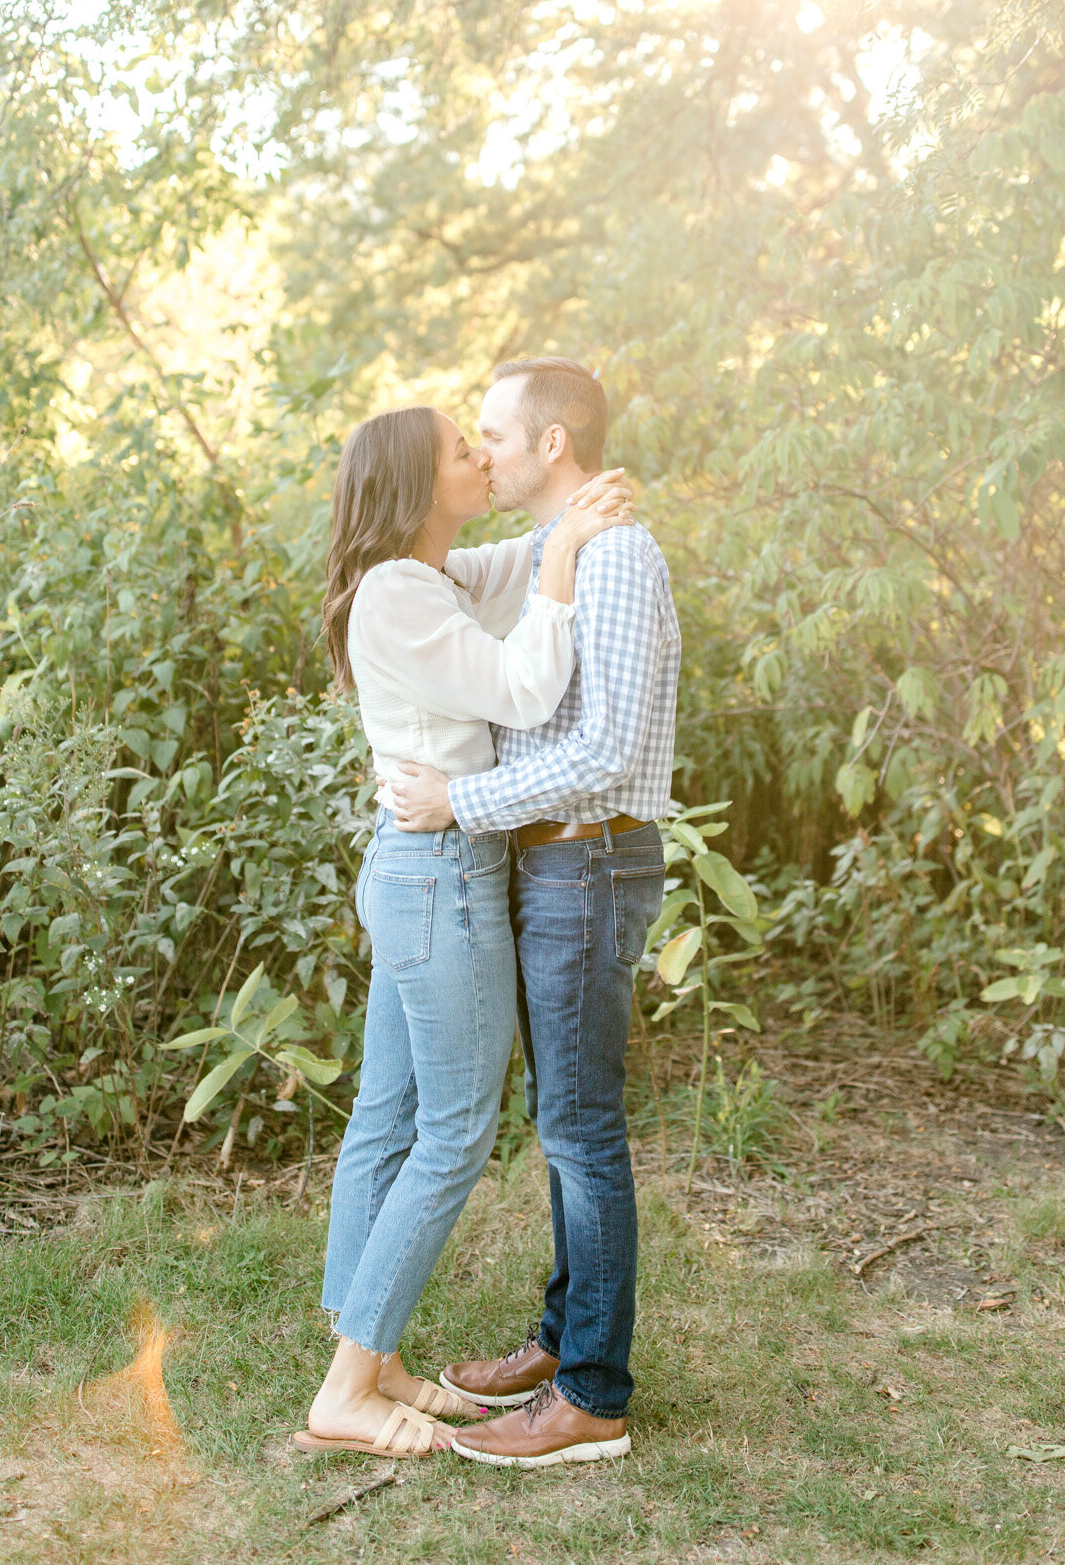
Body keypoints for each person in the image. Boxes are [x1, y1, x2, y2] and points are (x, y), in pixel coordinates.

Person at [295, 402, 633, 1459]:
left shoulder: (424, 576)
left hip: (419, 873)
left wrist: (563, 519)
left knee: (389, 1113)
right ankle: (348, 1389)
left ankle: (374, 1347)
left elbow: (512, 561)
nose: (479, 456)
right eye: (459, 450)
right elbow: (528, 686)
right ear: (412, 484)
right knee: (451, 1132)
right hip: (441, 880)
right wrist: (571, 556)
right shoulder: (399, 594)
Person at [389, 358, 680, 1469]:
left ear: (552, 444)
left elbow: (601, 752)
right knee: (562, 1121)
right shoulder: (561, 553)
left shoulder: (616, 555)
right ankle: (563, 1342)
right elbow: (432, 578)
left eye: (496, 434)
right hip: (554, 865)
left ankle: (592, 1395)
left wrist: (460, 798)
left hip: (587, 863)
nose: (486, 450)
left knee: (581, 1127)